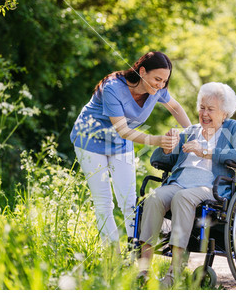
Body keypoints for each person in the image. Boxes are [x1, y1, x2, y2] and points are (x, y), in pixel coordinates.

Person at [70, 51, 191, 252]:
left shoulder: (158, 90)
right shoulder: (113, 88)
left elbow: (176, 108)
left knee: (129, 201)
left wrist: (194, 133)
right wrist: (157, 140)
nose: (160, 85)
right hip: (90, 140)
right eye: (157, 79)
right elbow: (123, 130)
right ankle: (113, 255)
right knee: (104, 201)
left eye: (164, 81)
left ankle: (135, 253)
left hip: (119, 143)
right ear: (142, 71)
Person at [138, 82, 236, 287]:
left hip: (211, 187)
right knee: (154, 198)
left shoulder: (235, 128)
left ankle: (174, 271)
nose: (204, 113)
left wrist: (205, 152)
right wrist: (166, 147)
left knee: (183, 197)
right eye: (202, 107)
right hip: (179, 182)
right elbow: (159, 160)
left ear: (224, 113)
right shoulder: (190, 131)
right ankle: (143, 270)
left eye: (211, 109)